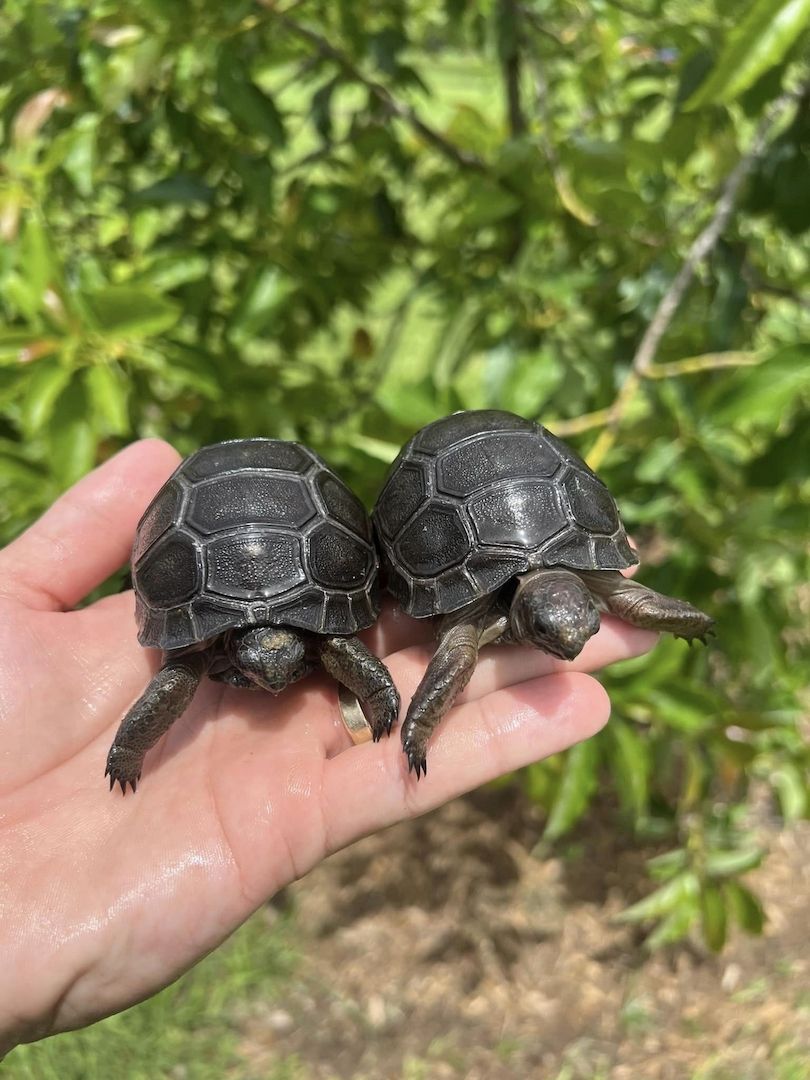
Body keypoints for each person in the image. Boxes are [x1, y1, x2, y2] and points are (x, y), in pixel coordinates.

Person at [0, 440, 657, 1058]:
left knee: (309, 652)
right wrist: (125, 754)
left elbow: (344, 658)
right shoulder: (206, 665)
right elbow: (172, 690)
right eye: (266, 672)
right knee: (230, 667)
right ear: (240, 660)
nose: (280, 677)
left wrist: (382, 706)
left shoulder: (317, 649)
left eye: (285, 664)